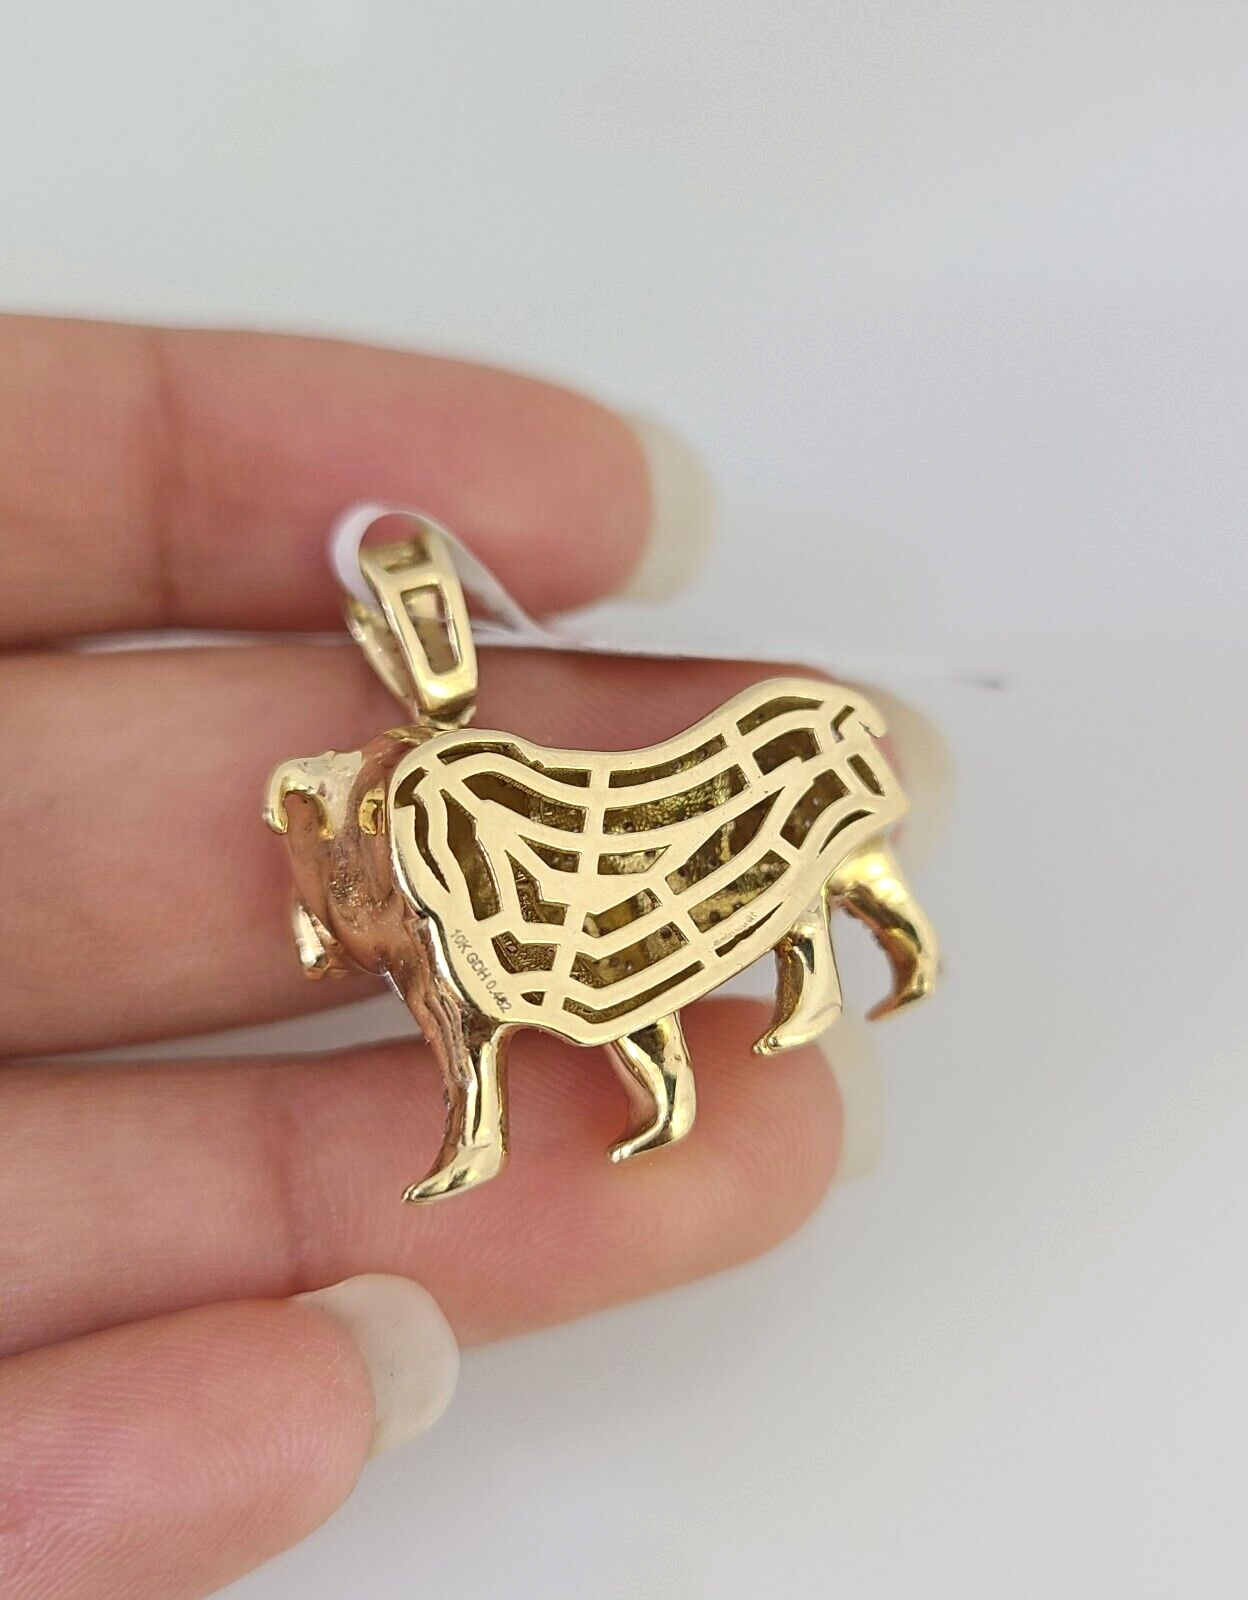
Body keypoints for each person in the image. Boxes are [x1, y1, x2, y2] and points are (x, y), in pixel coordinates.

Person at [0, 315, 847, 1600]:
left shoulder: (474, 798)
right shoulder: (373, 812)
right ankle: (595, 1103)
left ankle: (656, 1091)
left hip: (528, 909)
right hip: (462, 901)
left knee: (607, 985)